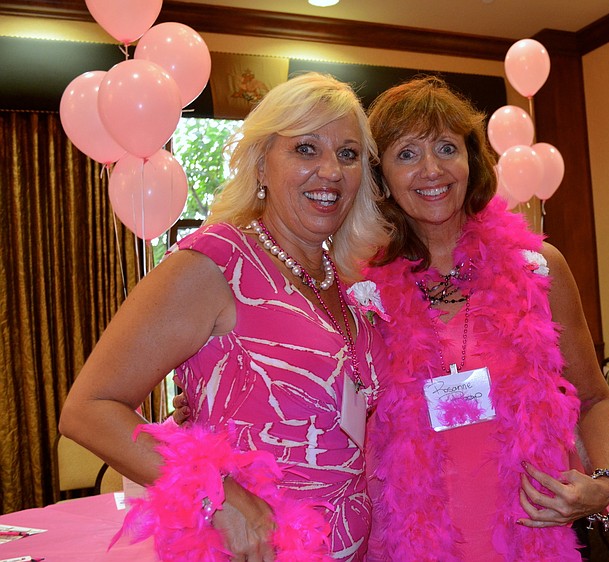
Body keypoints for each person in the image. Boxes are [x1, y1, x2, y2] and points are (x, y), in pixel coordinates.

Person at [59, 72, 390, 562]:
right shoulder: (216, 262)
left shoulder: (346, 284)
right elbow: (88, 409)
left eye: (348, 154)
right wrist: (218, 496)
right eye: (305, 149)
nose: (331, 171)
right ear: (260, 165)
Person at [358, 76, 609, 561]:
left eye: (445, 148)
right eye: (407, 154)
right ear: (382, 178)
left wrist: (602, 484)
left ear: (471, 161)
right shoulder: (362, 293)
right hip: (409, 544)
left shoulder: (538, 268)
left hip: (530, 538)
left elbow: (594, 397)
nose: (431, 169)